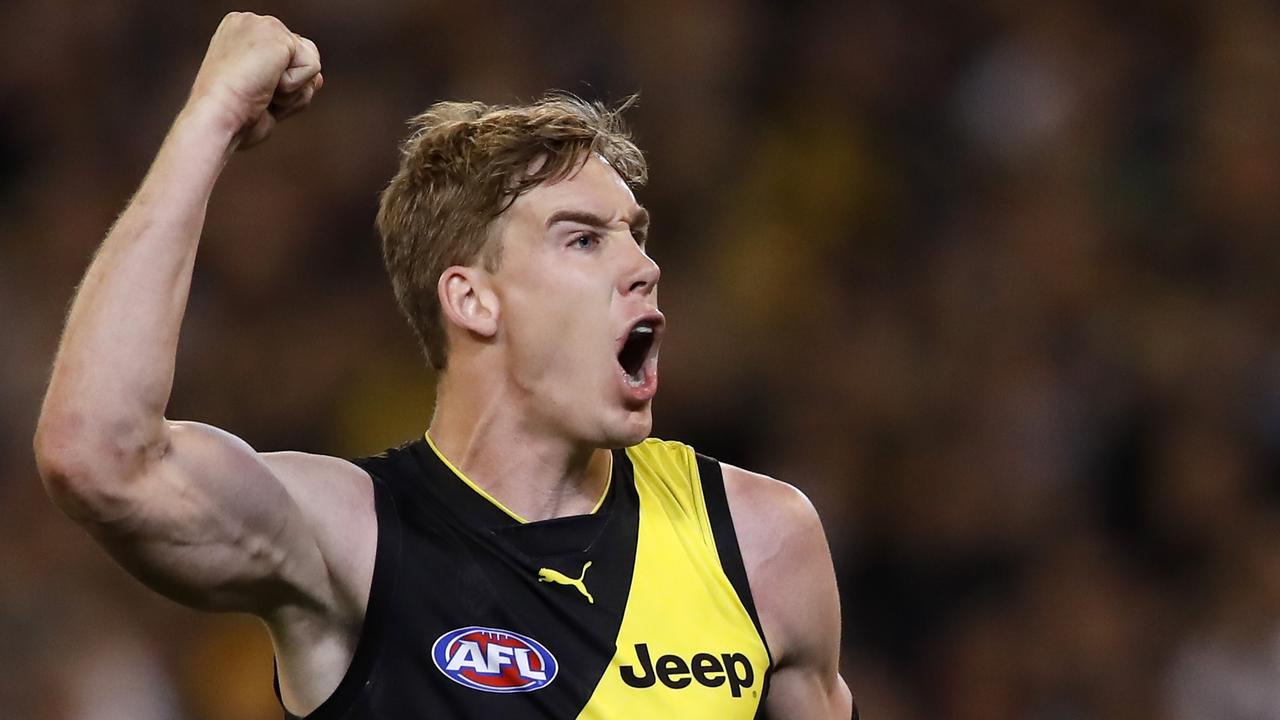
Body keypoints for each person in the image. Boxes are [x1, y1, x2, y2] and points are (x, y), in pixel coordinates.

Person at [33, 12, 853, 719]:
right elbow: (98, 454)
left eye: (637, 232)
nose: (642, 264)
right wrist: (210, 117)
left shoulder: (760, 542)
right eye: (583, 238)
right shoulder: (354, 540)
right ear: (473, 300)